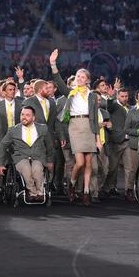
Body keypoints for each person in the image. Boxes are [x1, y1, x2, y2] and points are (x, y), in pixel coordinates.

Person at [50, 49, 101, 207]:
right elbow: (58, 81)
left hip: (89, 127)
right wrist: (53, 64)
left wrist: (98, 138)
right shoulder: (70, 92)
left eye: (82, 77)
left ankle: (86, 191)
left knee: (88, 163)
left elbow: (94, 117)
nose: (79, 78)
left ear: (87, 80)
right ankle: (72, 184)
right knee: (79, 162)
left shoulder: (93, 96)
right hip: (75, 126)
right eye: (77, 76)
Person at [0, 106, 55, 202]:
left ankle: (40, 192)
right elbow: (2, 146)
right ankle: (33, 192)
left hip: (38, 157)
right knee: (26, 169)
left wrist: (49, 161)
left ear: (33, 118)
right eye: (22, 114)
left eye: (27, 115)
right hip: (21, 157)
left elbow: (50, 146)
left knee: (37, 169)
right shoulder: (13, 130)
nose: (24, 117)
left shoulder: (42, 129)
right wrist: (0, 164)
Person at [101, 87, 131, 199]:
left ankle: (129, 190)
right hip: (116, 141)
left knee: (129, 168)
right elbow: (109, 106)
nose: (124, 98)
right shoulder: (114, 106)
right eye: (122, 96)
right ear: (118, 96)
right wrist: (110, 96)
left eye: (126, 96)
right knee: (112, 168)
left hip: (128, 141)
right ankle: (106, 188)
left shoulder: (130, 108)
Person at [123, 90, 139, 202]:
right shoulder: (131, 112)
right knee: (132, 169)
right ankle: (129, 190)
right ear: (136, 99)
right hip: (134, 144)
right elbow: (126, 129)